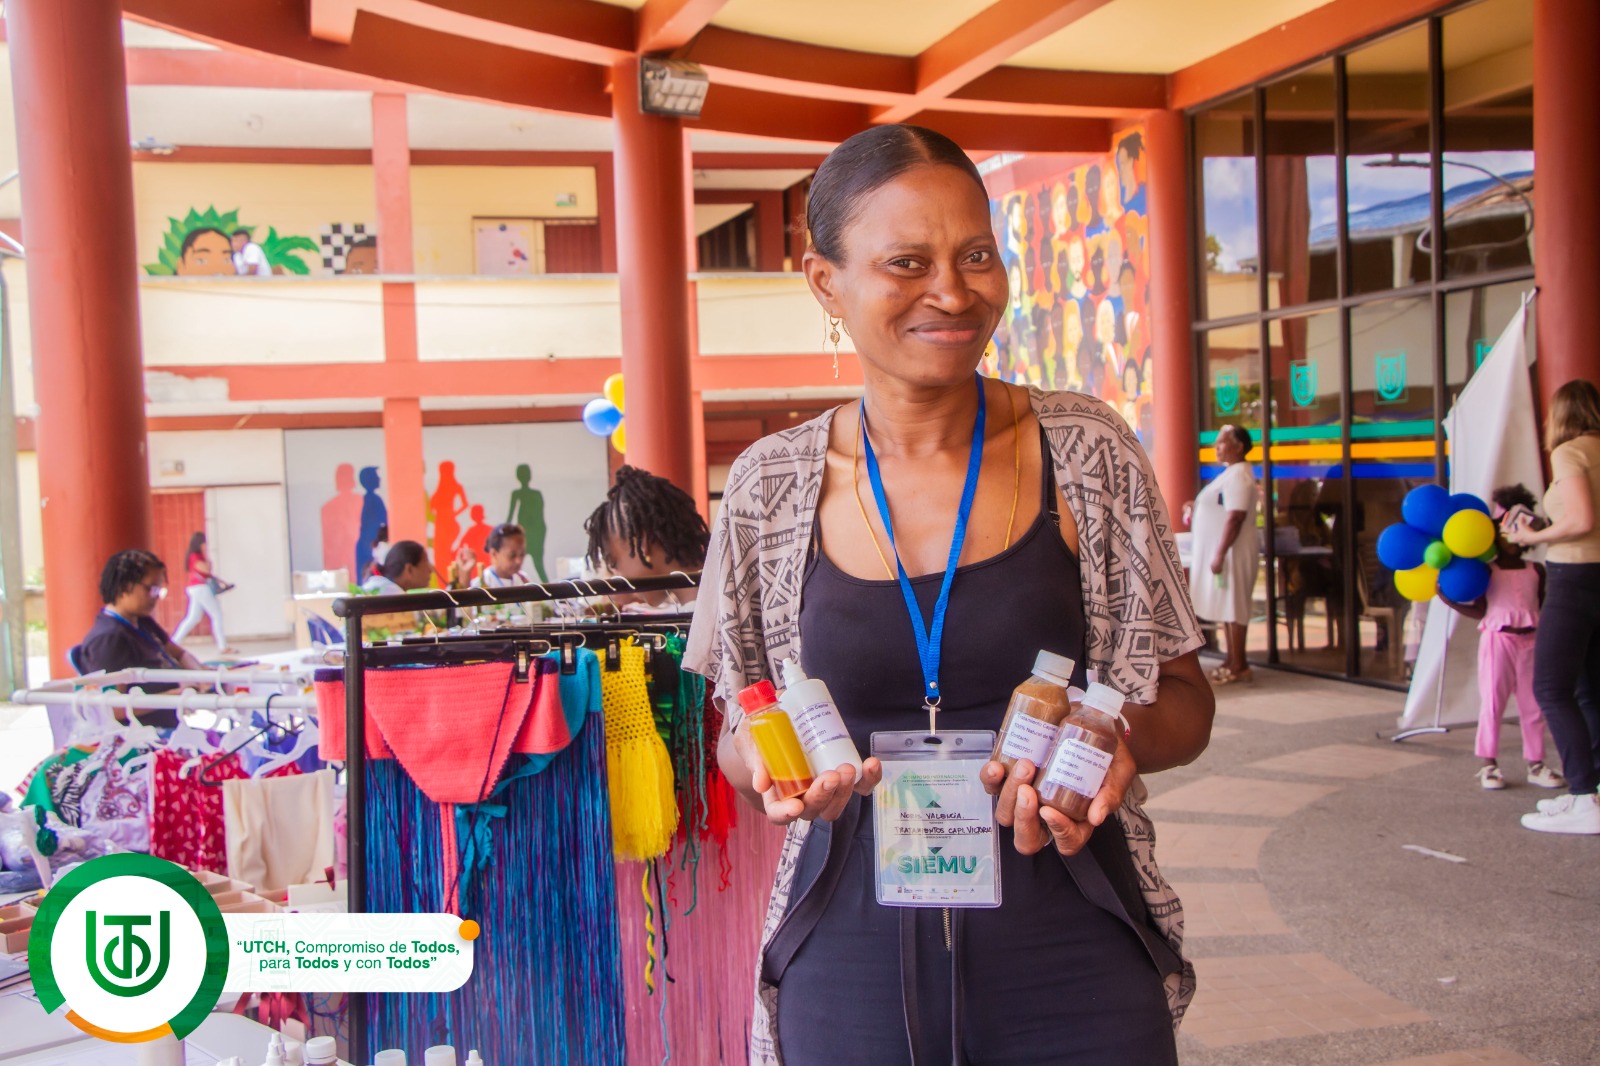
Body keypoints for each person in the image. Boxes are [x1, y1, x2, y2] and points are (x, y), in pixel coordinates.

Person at [685, 124, 1212, 1065]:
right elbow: (738, 731)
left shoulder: (1086, 451)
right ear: (825, 282)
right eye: (908, 262)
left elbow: (1185, 700)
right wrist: (770, 765)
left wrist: (1112, 737)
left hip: (1072, 950)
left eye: (976, 255)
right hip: (847, 957)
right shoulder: (767, 486)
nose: (955, 291)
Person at [1506, 379, 1600, 834]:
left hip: (1574, 579)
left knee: (1551, 688)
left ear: (1561, 415)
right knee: (1589, 689)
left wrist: (1531, 536)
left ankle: (1583, 798)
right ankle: (1592, 791)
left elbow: (1582, 519)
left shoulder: (1569, 452)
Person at [1441, 485, 1563, 791]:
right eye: (1506, 530)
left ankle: (1536, 763)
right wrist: (1447, 599)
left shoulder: (1536, 570)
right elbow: (1481, 609)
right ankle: (1489, 764)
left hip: (1531, 642)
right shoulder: (1488, 571)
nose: (1511, 537)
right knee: (1493, 702)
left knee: (1533, 705)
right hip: (1498, 641)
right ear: (1495, 533)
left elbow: (1541, 606)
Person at [79, 550, 207, 729]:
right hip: (144, 735)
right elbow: (114, 709)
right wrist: (179, 694)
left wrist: (201, 675)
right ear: (125, 587)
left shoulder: (141, 620)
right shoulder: (108, 639)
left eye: (159, 590)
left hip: (171, 725)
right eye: (151, 589)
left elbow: (179, 653)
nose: (156, 596)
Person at [1185, 424, 1260, 684]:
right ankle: (1231, 660)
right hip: (1227, 551)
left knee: (1235, 606)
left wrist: (1219, 553)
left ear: (1239, 447)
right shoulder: (1231, 473)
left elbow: (1235, 517)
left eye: (1222, 442)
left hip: (1233, 552)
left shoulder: (1240, 476)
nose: (1217, 447)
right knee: (1227, 606)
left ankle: (1240, 665)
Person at [584, 465, 708, 610]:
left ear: (641, 542)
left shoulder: (704, 615)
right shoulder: (720, 592)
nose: (616, 576)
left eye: (614, 564)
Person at [171, 532, 237, 655]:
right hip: (200, 588)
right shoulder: (196, 556)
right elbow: (206, 569)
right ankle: (223, 646)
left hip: (196, 588)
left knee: (193, 618)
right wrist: (207, 557)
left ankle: (173, 642)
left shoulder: (196, 556)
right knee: (216, 615)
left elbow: (208, 574)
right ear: (200, 543)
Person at [361, 539, 432, 596]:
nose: (430, 570)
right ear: (409, 569)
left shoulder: (378, 585)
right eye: (425, 564)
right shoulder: (393, 595)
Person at [472, 523, 530, 590]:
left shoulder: (524, 579)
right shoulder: (482, 583)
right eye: (512, 555)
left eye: (522, 554)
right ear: (494, 554)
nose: (518, 561)